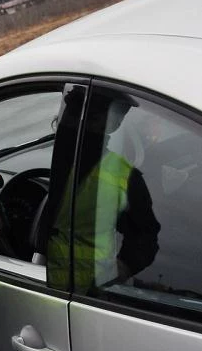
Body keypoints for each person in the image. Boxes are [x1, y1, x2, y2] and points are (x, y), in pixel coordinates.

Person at [46, 85, 160, 293]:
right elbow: (146, 236)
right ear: (109, 123)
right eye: (119, 113)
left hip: (72, 292)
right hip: (95, 293)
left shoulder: (56, 160)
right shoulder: (124, 176)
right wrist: (123, 267)